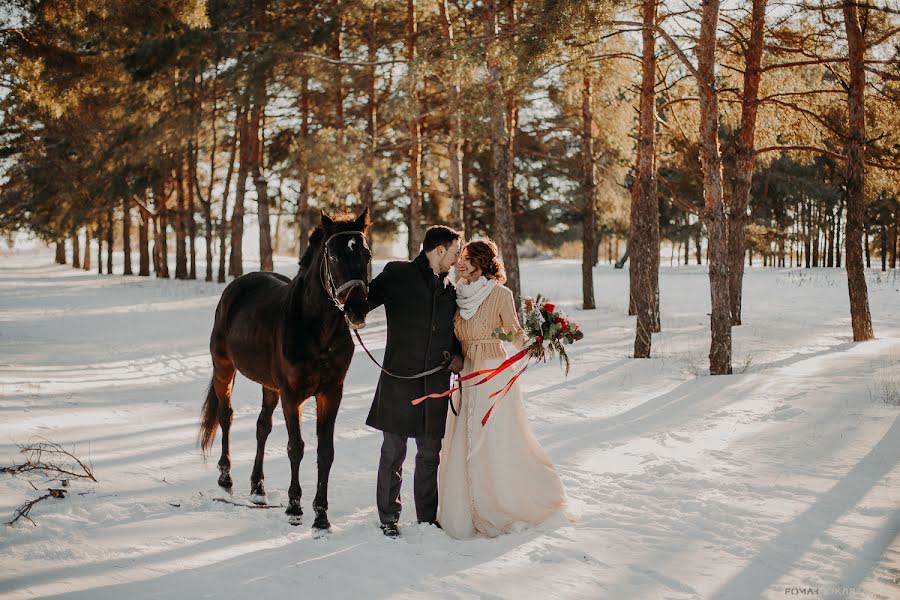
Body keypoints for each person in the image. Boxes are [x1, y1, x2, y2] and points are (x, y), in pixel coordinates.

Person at [437, 239, 566, 539]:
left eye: (467, 258)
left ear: (482, 261)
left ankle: (502, 502)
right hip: (466, 372)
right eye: (461, 257)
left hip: (492, 373)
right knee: (461, 438)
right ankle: (464, 508)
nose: (460, 262)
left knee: (494, 438)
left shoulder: (500, 294)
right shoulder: (456, 295)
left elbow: (514, 333)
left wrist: (536, 343)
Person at [365, 226, 464, 538]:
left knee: (430, 454)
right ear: (438, 250)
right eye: (455, 252)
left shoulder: (451, 291)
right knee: (393, 452)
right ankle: (388, 518)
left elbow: (456, 333)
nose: (457, 259)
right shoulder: (397, 274)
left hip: (436, 383)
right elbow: (362, 303)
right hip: (399, 383)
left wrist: (458, 356)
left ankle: (426, 519)